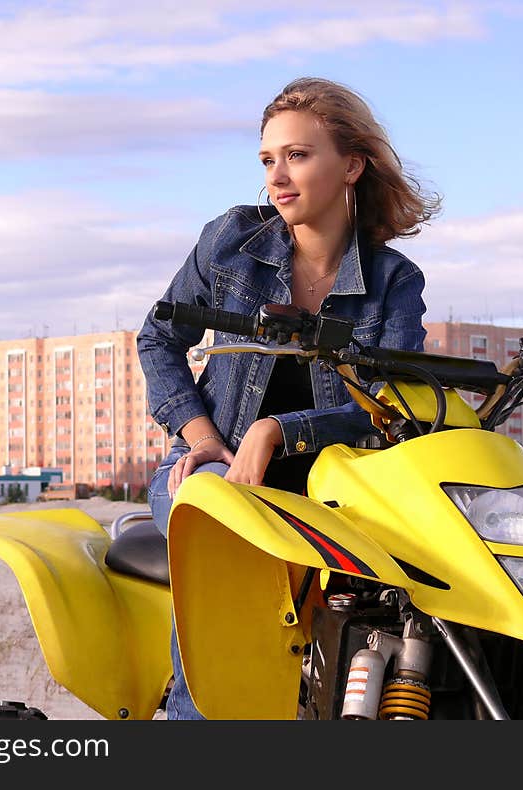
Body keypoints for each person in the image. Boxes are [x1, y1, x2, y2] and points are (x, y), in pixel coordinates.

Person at [136, 76, 441, 719]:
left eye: (298, 156)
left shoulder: (392, 281)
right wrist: (201, 435)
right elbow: (159, 339)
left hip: (332, 485)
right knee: (217, 525)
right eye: (268, 159)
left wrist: (281, 429)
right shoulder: (230, 245)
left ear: (352, 165)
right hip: (213, 470)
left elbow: (385, 405)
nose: (277, 176)